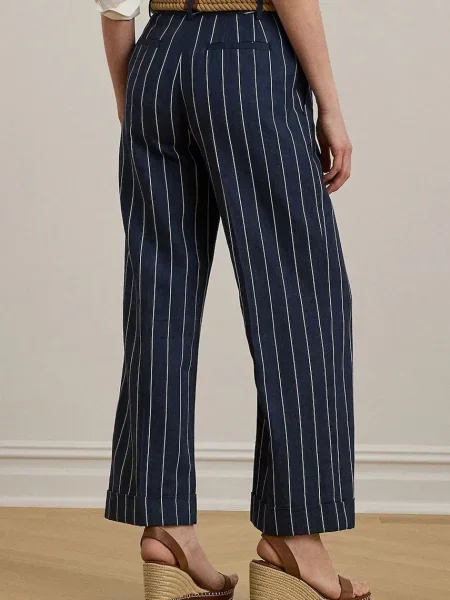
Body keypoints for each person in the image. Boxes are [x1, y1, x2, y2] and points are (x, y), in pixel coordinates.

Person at [97, 0, 371, 599]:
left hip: (155, 59)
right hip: (246, 57)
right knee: (301, 297)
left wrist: (134, 101)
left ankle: (165, 527)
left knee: (160, 297)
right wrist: (330, 105)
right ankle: (295, 536)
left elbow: (115, 6)